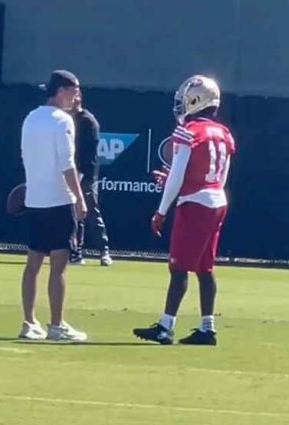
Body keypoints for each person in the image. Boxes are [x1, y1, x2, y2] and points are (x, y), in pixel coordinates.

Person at [133, 75, 236, 346]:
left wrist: (161, 210)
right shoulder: (223, 132)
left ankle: (166, 326)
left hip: (195, 202)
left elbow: (177, 175)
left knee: (178, 268)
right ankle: (207, 327)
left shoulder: (188, 131)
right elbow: (220, 175)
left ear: (195, 101)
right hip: (217, 199)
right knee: (205, 268)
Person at [18, 69, 89, 342]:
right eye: (74, 91)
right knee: (58, 265)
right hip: (59, 201)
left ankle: (29, 323)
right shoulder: (63, 121)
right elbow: (67, 165)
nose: (77, 96)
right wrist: (80, 198)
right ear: (60, 91)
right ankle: (56, 326)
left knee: (33, 263)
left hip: (35, 200)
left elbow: (27, 157)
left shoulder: (30, 118)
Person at [66, 80, 112, 266]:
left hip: (87, 176)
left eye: (75, 96)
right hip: (69, 174)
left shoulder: (88, 121)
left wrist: (82, 175)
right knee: (74, 216)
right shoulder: (65, 121)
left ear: (78, 99)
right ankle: (76, 253)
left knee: (90, 212)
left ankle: (104, 252)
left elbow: (89, 154)